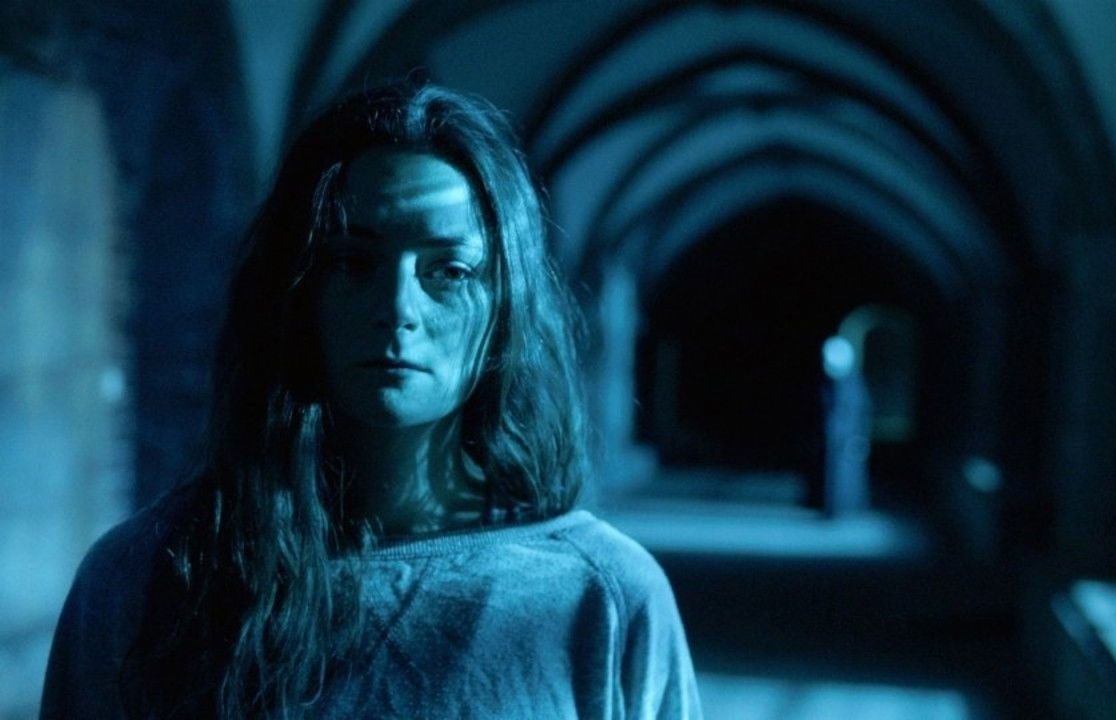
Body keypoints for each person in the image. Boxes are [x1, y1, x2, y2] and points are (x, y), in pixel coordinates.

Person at [40, 81, 702, 720]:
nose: (397, 308)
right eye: (354, 263)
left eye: (448, 270)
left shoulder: (602, 598)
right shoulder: (144, 577)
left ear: (504, 302)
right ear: (299, 288)